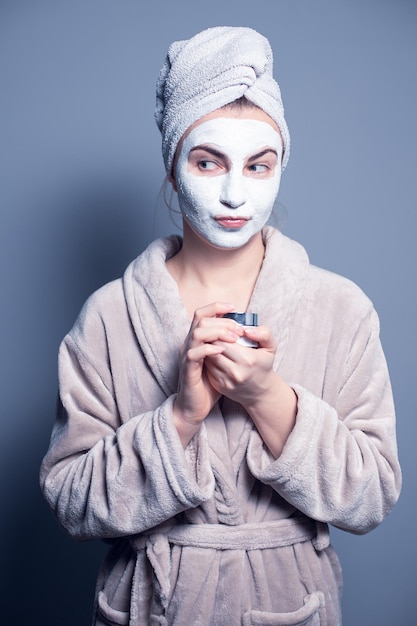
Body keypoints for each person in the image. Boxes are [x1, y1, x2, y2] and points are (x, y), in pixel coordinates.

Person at [40, 26, 401, 626]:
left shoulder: (341, 309)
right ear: (173, 167)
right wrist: (178, 418)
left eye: (259, 166)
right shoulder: (108, 316)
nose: (235, 192)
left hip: (291, 603)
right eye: (209, 162)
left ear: (282, 166)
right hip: (155, 605)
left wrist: (269, 398)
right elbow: (72, 504)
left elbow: (370, 499)